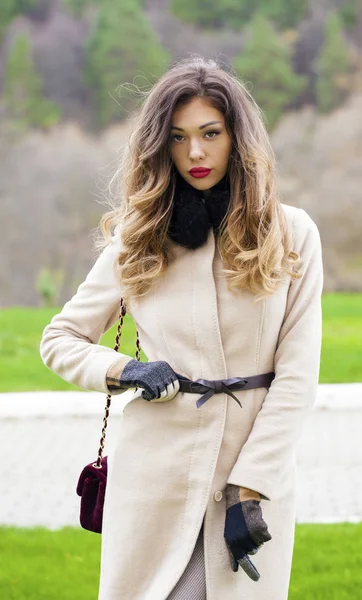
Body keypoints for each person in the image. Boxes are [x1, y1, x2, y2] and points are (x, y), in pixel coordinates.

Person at [40, 55, 323, 600]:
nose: (195, 152)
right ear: (160, 144)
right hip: (152, 477)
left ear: (237, 138)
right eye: (177, 137)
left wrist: (250, 487)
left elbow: (297, 377)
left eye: (210, 133)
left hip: (252, 481)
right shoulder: (138, 235)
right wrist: (127, 369)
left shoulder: (291, 233)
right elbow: (60, 340)